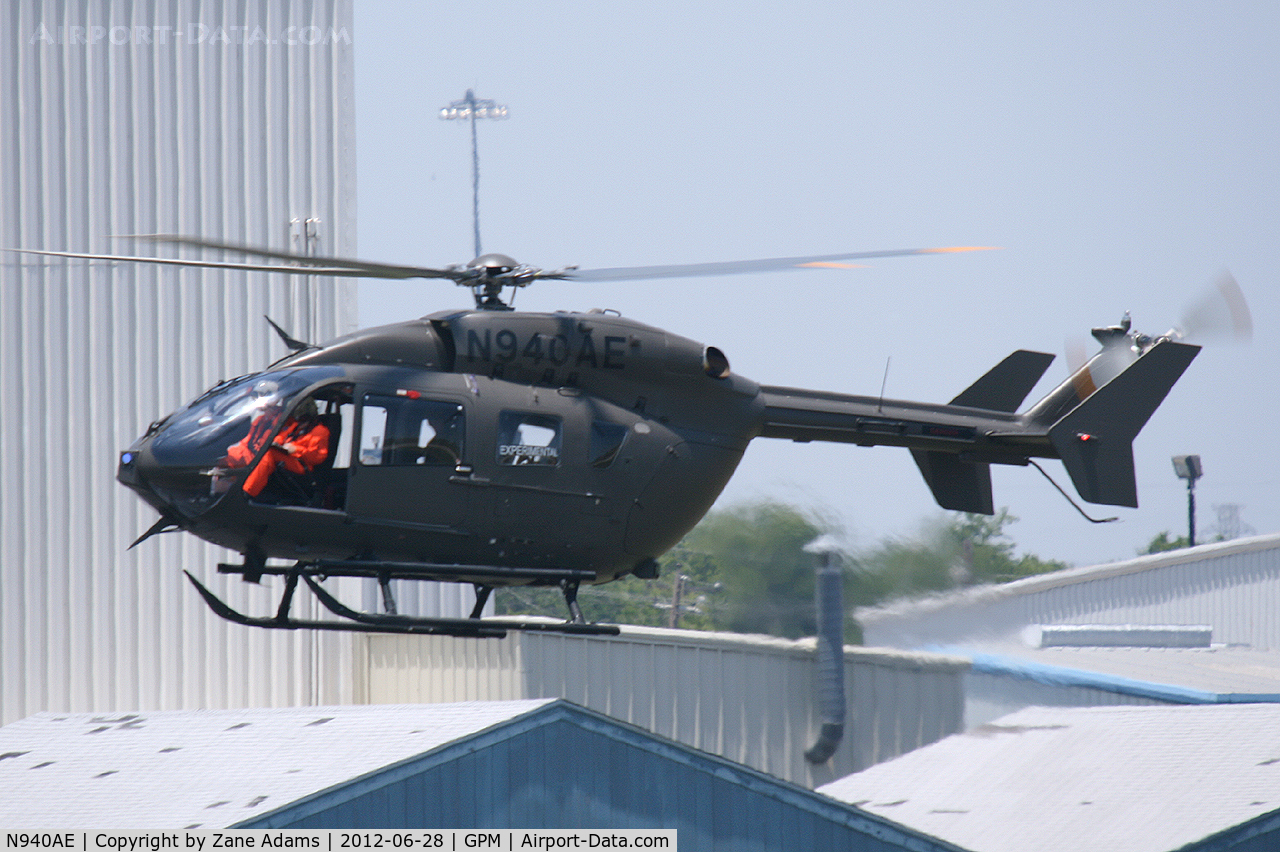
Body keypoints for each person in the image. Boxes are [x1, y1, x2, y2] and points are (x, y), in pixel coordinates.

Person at [226, 396, 331, 498]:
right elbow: (281, 437)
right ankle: (226, 487)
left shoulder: (320, 431)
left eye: (303, 419)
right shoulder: (295, 426)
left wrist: (296, 449)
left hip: (302, 465)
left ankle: (247, 492)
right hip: (288, 457)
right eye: (297, 419)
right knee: (248, 452)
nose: (299, 422)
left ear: (310, 415)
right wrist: (277, 444)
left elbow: (317, 457)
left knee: (269, 454)